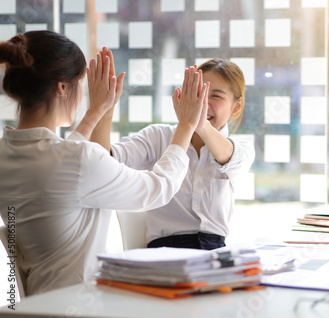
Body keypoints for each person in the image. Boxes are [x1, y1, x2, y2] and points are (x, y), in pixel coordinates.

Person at [0, 30, 207, 295]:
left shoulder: (8, 153)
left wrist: (96, 112)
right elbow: (158, 188)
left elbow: (60, 162)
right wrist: (186, 125)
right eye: (80, 83)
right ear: (62, 87)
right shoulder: (76, 161)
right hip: (80, 305)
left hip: (38, 304)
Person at [93, 59, 255, 250]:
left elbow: (228, 158)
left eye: (216, 96)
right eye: (198, 93)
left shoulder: (240, 149)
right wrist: (103, 110)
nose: (203, 102)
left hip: (214, 253)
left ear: (236, 106)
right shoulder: (158, 137)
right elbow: (102, 162)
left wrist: (198, 122)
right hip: (164, 252)